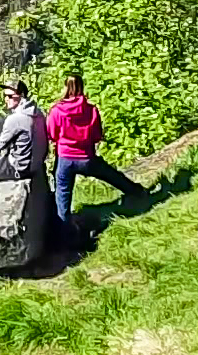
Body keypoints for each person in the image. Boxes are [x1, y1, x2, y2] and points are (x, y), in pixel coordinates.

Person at [44, 72, 144, 237]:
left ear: (65, 88)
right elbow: (97, 135)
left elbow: (52, 135)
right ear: (82, 87)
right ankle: (137, 191)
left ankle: (63, 231)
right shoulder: (91, 110)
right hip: (87, 157)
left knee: (62, 193)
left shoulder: (56, 111)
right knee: (111, 175)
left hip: (65, 158)